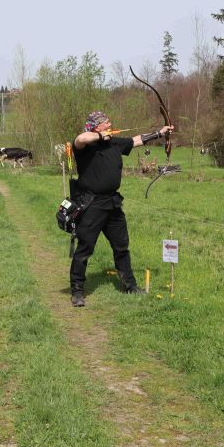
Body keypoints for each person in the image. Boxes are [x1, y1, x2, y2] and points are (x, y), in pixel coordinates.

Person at [69, 111, 173, 307]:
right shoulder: (84, 147)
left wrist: (159, 133)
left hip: (112, 203)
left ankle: (130, 286)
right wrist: (101, 136)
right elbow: (81, 137)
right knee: (84, 248)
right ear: (97, 126)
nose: (110, 124)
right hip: (92, 204)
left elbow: (136, 140)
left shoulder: (114, 143)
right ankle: (77, 290)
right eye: (106, 122)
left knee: (121, 247)